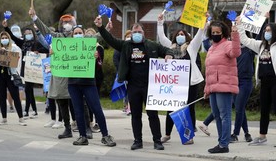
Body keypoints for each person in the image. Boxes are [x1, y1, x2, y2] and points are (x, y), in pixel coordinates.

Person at [94, 16, 174, 151]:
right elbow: (110, 40)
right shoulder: (126, 45)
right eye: (134, 32)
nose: (137, 34)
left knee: (152, 115)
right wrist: (101, 27)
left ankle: (157, 141)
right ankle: (137, 141)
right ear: (131, 34)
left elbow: (167, 50)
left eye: (139, 32)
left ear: (144, 33)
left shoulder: (152, 45)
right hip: (133, 85)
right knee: (135, 115)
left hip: (149, 86)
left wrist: (169, 54)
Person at [157, 13, 206, 145]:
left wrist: (203, 22)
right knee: (171, 108)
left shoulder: (192, 47)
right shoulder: (170, 47)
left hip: (190, 84)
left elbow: (200, 34)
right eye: (178, 35)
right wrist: (160, 23)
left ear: (186, 36)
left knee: (188, 108)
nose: (180, 36)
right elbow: (161, 38)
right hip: (175, 85)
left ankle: (188, 136)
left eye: (182, 34)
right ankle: (167, 134)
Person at [29, 8, 77, 139]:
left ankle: (83, 127)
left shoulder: (78, 38)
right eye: (64, 22)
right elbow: (45, 31)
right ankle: (67, 128)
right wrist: (35, 18)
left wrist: (104, 28)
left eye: (69, 22)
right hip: (61, 75)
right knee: (62, 101)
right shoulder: (57, 37)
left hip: (75, 75)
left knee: (78, 103)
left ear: (74, 24)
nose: (66, 24)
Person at [67, 25, 116, 146]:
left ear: (83, 34)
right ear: (72, 36)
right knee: (78, 111)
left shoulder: (91, 47)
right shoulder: (67, 48)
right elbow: (59, 60)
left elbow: (99, 65)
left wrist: (96, 57)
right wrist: (53, 53)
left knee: (97, 109)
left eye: (80, 33)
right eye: (75, 33)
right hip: (73, 84)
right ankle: (82, 136)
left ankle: (105, 135)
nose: (78, 35)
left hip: (88, 83)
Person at [236, 16, 276, 146]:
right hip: (264, 82)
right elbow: (245, 40)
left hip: (275, 81)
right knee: (264, 109)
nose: (266, 33)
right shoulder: (260, 45)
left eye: (269, 30)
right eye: (265, 30)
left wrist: (267, 18)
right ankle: (262, 136)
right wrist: (240, 24)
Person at [204, 20, 241, 153]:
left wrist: (235, 33)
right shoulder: (211, 48)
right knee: (217, 115)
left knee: (225, 115)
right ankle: (221, 142)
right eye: (213, 32)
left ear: (223, 33)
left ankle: (224, 144)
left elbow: (236, 52)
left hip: (224, 86)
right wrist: (206, 89)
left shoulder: (228, 45)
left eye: (218, 32)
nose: (215, 34)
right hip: (213, 87)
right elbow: (209, 71)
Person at [2, 20, 48, 119]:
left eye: (30, 33)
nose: (28, 35)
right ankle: (34, 111)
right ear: (24, 34)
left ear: (33, 34)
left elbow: (47, 49)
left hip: (34, 69)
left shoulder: (37, 43)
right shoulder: (22, 43)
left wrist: (38, 51)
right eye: (26, 34)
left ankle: (27, 111)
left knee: (28, 89)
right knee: (29, 90)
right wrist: (6, 28)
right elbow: (13, 37)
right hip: (25, 68)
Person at [0, 31, 27, 126]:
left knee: (15, 95)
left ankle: (21, 118)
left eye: (5, 38)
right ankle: (4, 118)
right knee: (2, 96)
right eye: (2, 38)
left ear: (9, 38)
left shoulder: (15, 48)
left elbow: (17, 59)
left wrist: (7, 53)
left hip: (11, 75)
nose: (4, 40)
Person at [85, 28, 104, 132]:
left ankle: (98, 122)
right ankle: (90, 120)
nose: (88, 36)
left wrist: (96, 57)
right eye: (86, 34)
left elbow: (100, 63)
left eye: (91, 35)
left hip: (96, 77)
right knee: (87, 101)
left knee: (95, 101)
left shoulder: (99, 48)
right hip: (86, 77)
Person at [113, 30, 132, 115]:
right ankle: (126, 105)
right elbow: (115, 59)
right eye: (127, 36)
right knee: (125, 90)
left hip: (133, 73)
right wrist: (120, 70)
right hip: (123, 73)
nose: (129, 38)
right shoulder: (120, 48)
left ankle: (130, 106)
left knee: (131, 90)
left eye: (130, 36)